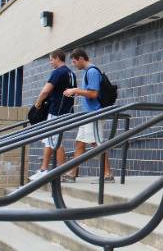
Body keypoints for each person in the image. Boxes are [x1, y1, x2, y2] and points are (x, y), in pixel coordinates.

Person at [63, 48, 113, 183]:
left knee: (97, 144)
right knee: (80, 143)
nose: (74, 65)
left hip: (94, 113)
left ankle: (108, 175)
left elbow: (93, 94)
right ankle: (72, 174)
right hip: (88, 114)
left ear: (81, 58)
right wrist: (77, 92)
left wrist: (76, 90)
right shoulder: (88, 72)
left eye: (74, 62)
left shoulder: (92, 72)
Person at [29, 50, 76, 181]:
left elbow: (45, 91)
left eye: (51, 59)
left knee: (56, 141)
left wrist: (37, 104)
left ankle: (63, 172)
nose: (50, 62)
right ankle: (43, 169)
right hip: (66, 111)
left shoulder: (58, 72)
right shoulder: (71, 74)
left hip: (57, 112)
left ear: (57, 58)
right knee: (49, 140)